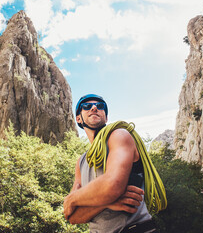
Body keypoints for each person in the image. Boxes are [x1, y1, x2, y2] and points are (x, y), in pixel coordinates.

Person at [63, 94, 157, 233]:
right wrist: (108, 202)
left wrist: (71, 199)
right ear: (78, 118)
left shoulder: (119, 135)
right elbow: (73, 217)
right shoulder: (81, 162)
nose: (94, 107)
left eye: (100, 106)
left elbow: (112, 185)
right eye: (87, 106)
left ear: (106, 118)